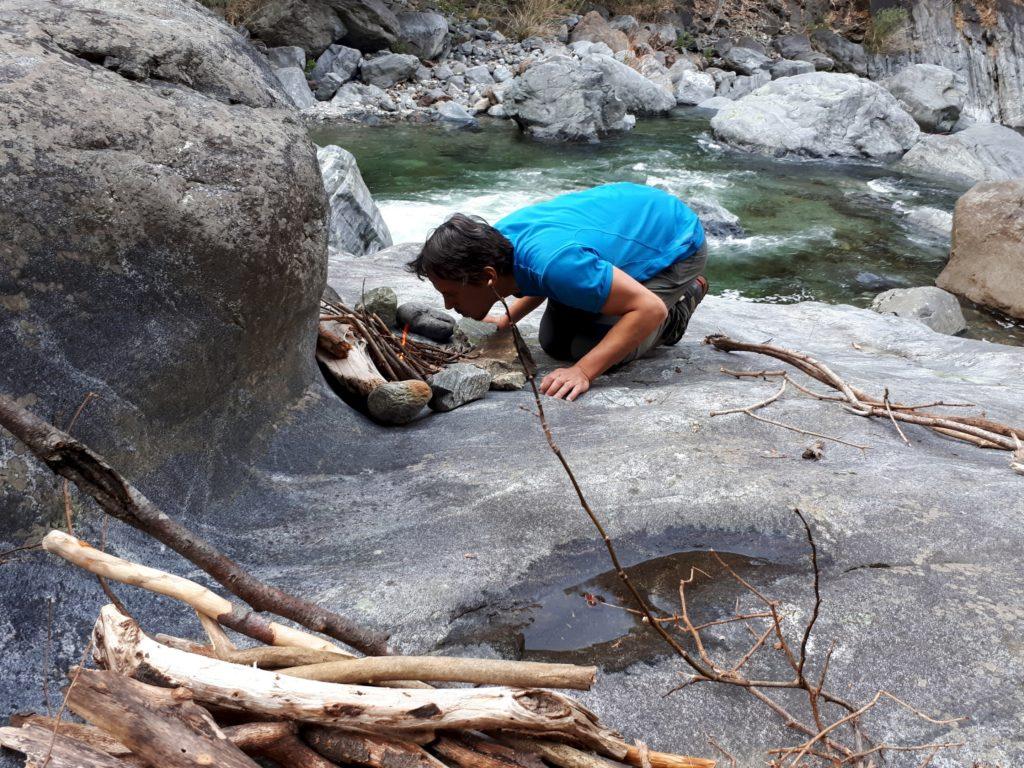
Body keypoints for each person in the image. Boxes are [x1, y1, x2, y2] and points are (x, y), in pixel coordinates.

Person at [407, 182, 708, 401]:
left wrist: (584, 372)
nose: (448, 306)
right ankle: (611, 291)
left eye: (452, 294)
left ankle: (681, 307)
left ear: (487, 278)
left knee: (586, 350)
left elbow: (649, 308)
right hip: (627, 218)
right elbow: (535, 275)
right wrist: (507, 318)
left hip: (674, 241)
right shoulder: (496, 247)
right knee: (554, 341)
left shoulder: (555, 263)